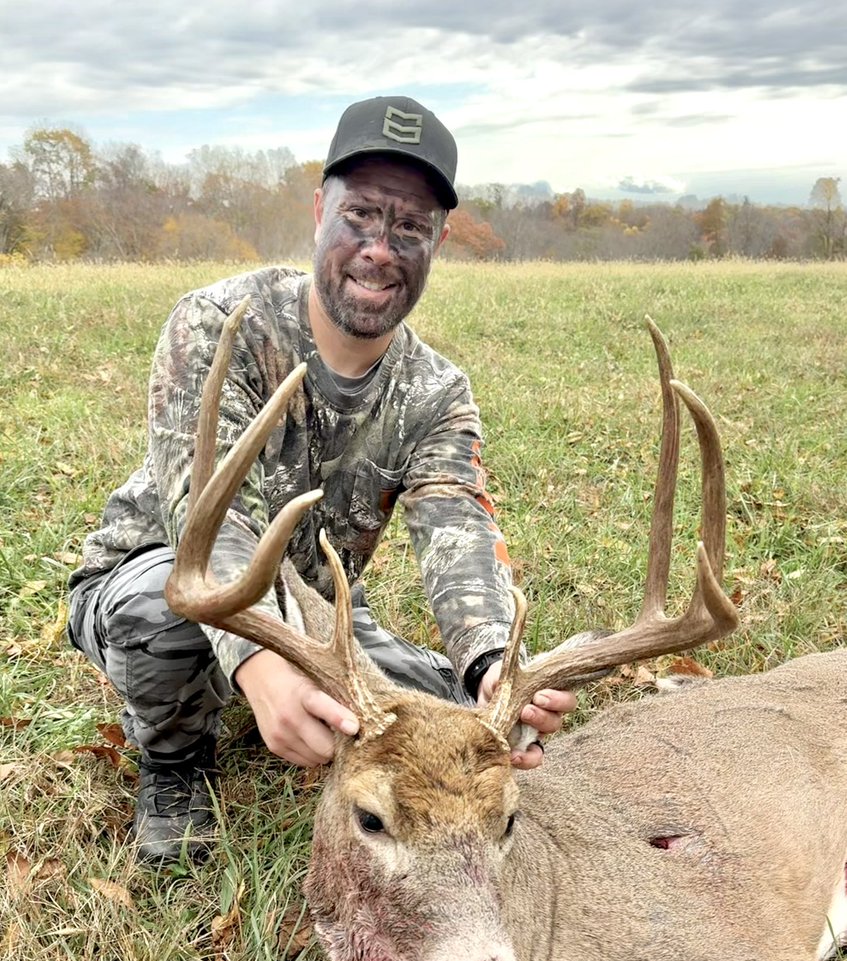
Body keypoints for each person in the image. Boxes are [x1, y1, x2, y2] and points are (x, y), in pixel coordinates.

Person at [67, 95, 575, 865]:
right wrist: (258, 663)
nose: (379, 249)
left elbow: (459, 534)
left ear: (438, 242)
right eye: (360, 216)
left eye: (409, 229)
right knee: (167, 610)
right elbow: (207, 521)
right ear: (318, 212)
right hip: (162, 573)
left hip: (315, 603)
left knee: (439, 711)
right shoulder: (220, 323)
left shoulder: (436, 393)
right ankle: (175, 767)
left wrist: (490, 665)